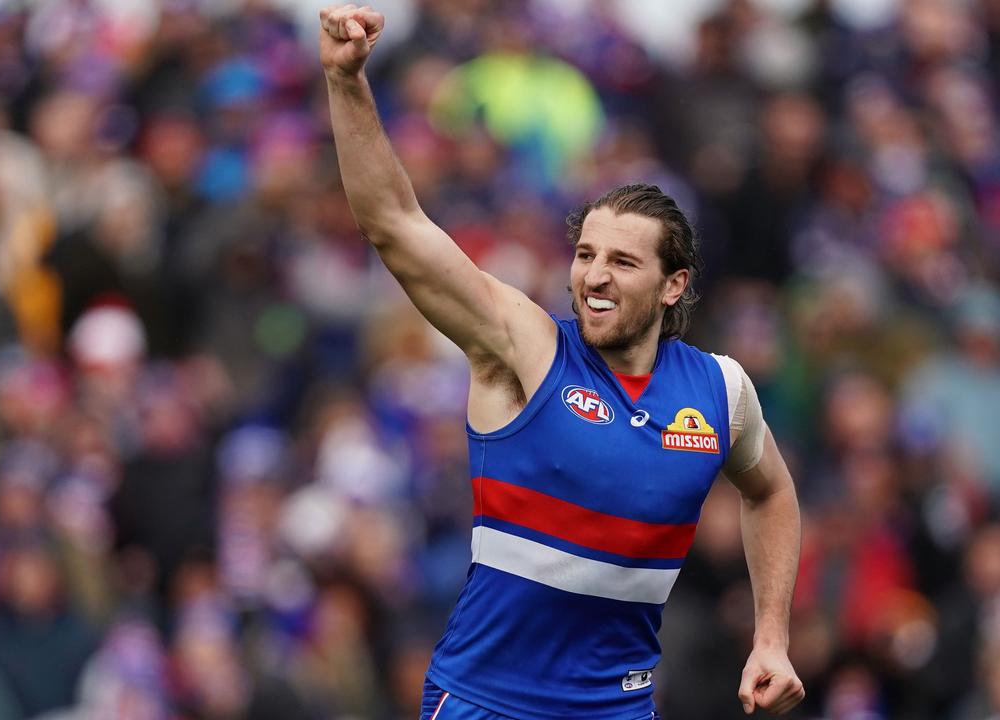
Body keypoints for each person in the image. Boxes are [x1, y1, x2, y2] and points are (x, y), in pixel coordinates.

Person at [317, 5, 805, 718]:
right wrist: (346, 81)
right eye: (585, 256)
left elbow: (771, 494)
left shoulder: (720, 390)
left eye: (622, 261)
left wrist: (771, 637)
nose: (594, 277)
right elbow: (394, 224)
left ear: (674, 285)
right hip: (487, 703)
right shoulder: (526, 348)